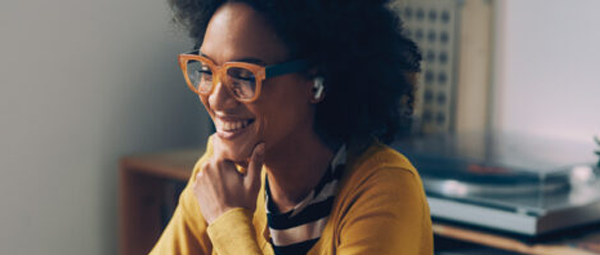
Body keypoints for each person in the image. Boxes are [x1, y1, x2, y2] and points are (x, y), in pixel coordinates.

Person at [151, 0, 432, 254]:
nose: (216, 98)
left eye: (245, 75)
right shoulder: (220, 173)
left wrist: (228, 221)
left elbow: (227, 222)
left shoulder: (385, 188)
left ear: (315, 81)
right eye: (206, 71)